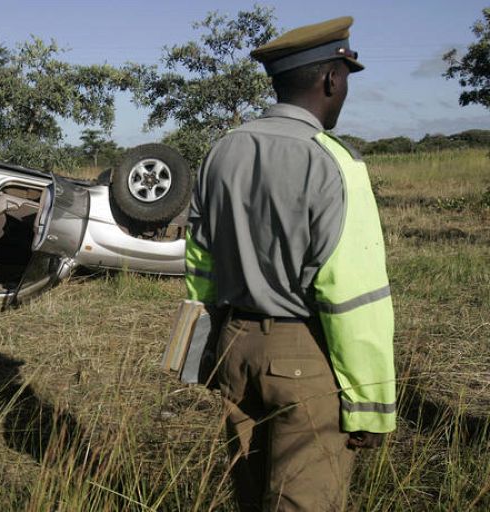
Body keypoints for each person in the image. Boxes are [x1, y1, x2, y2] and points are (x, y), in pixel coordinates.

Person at [184, 16, 396, 511]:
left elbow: (199, 265)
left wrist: (201, 353)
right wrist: (369, 405)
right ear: (330, 79)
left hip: (234, 347)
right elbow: (352, 295)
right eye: (344, 79)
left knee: (249, 495)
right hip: (304, 354)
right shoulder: (333, 162)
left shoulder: (222, 150)